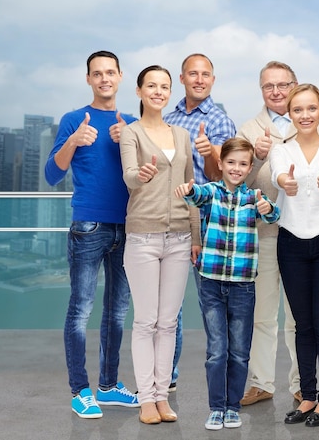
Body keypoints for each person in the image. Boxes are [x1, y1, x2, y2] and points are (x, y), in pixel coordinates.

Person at [44, 50, 140, 419]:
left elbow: (150, 173)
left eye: (110, 72)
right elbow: (52, 175)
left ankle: (110, 386)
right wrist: (75, 140)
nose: (104, 79)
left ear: (119, 77)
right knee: (81, 310)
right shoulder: (73, 119)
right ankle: (79, 391)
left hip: (128, 227)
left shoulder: (131, 122)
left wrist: (128, 140)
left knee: (117, 313)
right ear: (88, 79)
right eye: (97, 73)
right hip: (89, 227)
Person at [236, 61, 319, 406]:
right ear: (261, 90)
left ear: (294, 85)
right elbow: (237, 182)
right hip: (262, 233)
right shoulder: (249, 129)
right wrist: (258, 159)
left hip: (303, 233)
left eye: (283, 85)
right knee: (263, 313)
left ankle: (301, 383)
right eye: (268, 86)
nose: (276, 91)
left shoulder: (313, 125)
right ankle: (261, 382)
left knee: (299, 316)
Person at [174, 138, 280, 431]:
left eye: (243, 164)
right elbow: (195, 196)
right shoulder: (211, 192)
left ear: (249, 168)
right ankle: (216, 407)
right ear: (220, 164)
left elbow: (273, 214)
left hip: (243, 285)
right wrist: (188, 190)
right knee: (217, 350)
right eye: (230, 162)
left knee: (239, 351)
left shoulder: (252, 197)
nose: (236, 168)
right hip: (211, 282)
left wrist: (265, 204)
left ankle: (233, 407)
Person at [119, 65, 201, 424]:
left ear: (170, 92)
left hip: (181, 237)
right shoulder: (130, 133)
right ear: (139, 91)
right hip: (143, 237)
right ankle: (146, 399)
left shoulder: (181, 135)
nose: (158, 91)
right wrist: (142, 174)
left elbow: (192, 187)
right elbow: (129, 177)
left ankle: (162, 395)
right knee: (146, 322)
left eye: (164, 86)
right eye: (151, 85)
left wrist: (196, 236)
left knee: (168, 322)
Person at [270, 84, 319, 428]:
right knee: (301, 326)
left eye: (311, 108)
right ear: (290, 113)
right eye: (298, 109)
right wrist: (285, 185)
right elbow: (278, 177)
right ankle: (306, 396)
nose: (305, 115)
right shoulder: (281, 150)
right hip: (291, 242)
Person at [163, 53, 236, 391]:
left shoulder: (220, 121)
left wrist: (210, 152)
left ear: (213, 80)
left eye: (206, 74)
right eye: (193, 73)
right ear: (182, 78)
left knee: (213, 305)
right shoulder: (168, 118)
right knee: (170, 305)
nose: (199, 79)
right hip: (171, 218)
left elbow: (223, 175)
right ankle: (167, 378)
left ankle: (220, 384)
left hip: (208, 223)